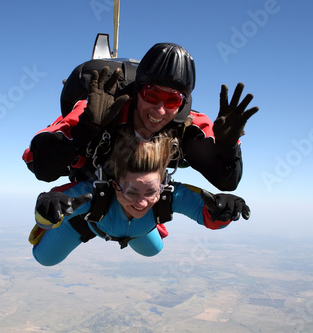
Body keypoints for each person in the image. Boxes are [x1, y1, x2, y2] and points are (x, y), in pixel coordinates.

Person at [22, 42, 259, 191]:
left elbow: (227, 182)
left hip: (137, 197)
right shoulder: (99, 107)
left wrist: (228, 146)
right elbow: (42, 169)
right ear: (137, 92)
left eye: (172, 100)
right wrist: (88, 127)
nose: (159, 110)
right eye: (151, 94)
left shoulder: (188, 126)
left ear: (184, 103)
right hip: (94, 179)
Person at [29, 131, 250, 266]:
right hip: (84, 221)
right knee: (45, 259)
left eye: (151, 192)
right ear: (113, 185)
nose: (142, 202)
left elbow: (208, 216)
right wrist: (48, 210)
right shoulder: (92, 193)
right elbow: (47, 215)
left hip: (136, 229)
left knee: (154, 251)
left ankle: (147, 225)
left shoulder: (169, 195)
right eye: (132, 192)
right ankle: (79, 221)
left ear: (162, 186)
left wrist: (223, 212)